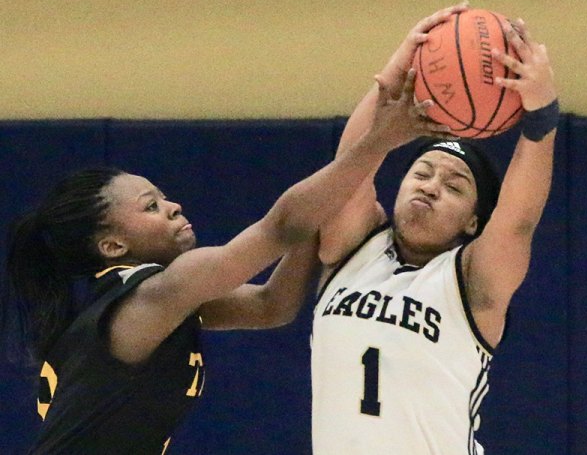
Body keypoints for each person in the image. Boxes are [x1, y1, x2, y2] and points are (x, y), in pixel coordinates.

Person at [4, 57, 456, 454]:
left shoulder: (155, 303)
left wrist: (325, 211)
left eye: (163, 198)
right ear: (112, 246)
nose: (173, 206)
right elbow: (279, 227)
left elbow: (270, 305)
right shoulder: (155, 295)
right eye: (151, 207)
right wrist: (378, 142)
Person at [312, 4, 558, 455]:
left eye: (454, 185)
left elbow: (519, 220)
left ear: (473, 220)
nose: (431, 186)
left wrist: (542, 116)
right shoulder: (353, 247)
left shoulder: (471, 280)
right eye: (423, 172)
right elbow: (348, 166)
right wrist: (399, 70)